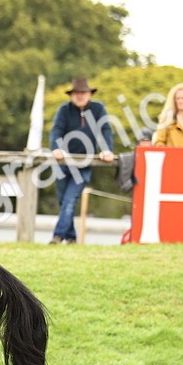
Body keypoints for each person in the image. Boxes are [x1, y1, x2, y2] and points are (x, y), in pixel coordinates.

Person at [48, 76, 114, 244]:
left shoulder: (98, 109)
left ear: (89, 94)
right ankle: (71, 238)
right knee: (64, 201)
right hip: (63, 164)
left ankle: (57, 236)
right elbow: (56, 131)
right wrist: (56, 148)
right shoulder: (64, 110)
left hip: (84, 164)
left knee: (70, 200)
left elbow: (105, 130)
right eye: (77, 93)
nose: (80, 96)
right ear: (72, 95)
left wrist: (107, 150)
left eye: (83, 92)